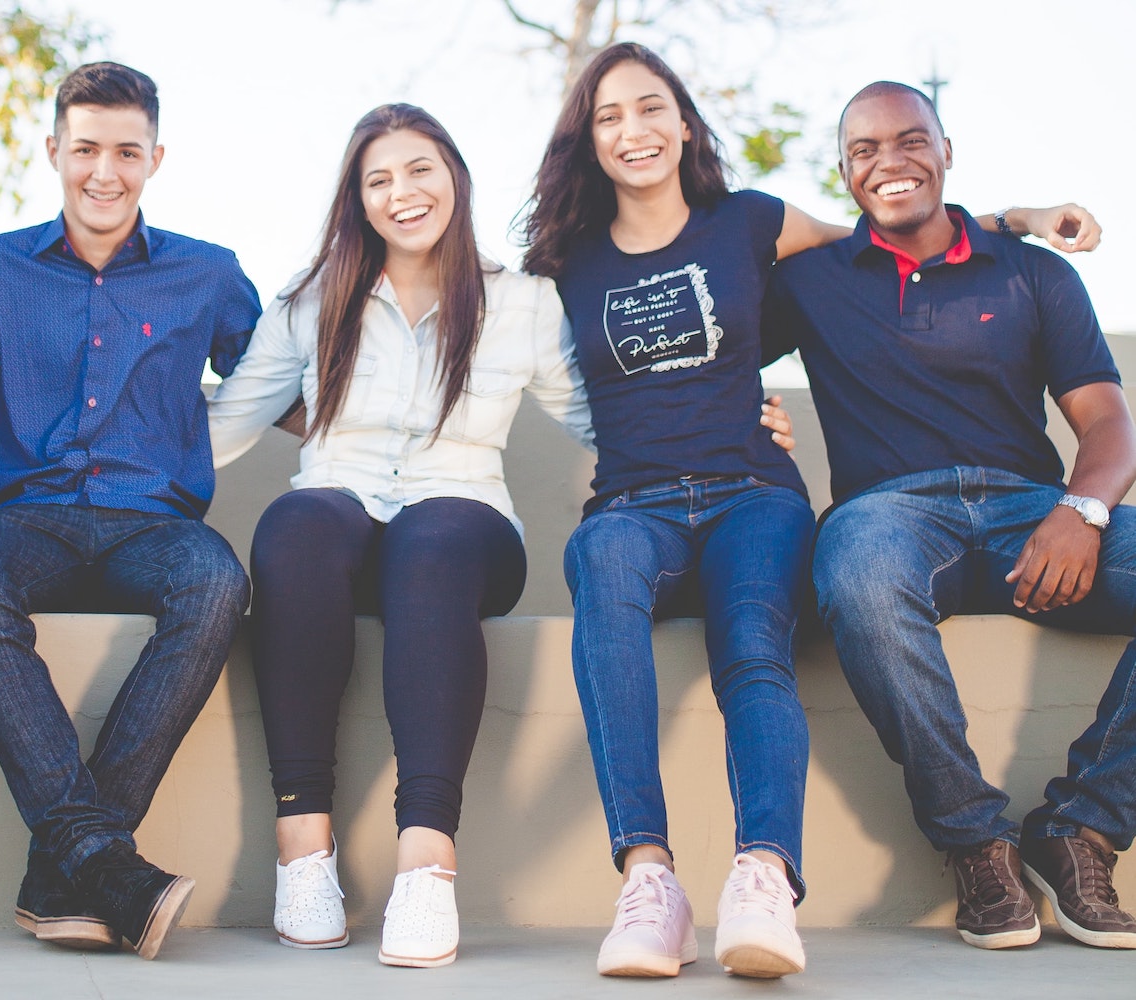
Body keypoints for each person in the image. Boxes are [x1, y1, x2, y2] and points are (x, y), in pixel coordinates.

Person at [519, 42, 1097, 980]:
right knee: (604, 576)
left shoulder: (749, 223)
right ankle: (650, 880)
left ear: (684, 123)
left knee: (753, 641)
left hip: (754, 492)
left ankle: (762, 877)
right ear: (586, 139)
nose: (636, 130)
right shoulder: (562, 262)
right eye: (611, 116)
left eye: (653, 107)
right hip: (632, 502)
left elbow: (890, 235)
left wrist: (1019, 218)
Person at [205, 103, 605, 968]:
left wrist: (726, 428)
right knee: (297, 522)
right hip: (338, 520)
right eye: (378, 179)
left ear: (454, 175)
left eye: (419, 169)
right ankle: (303, 847)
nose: (402, 192)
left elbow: (598, 418)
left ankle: (426, 862)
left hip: (465, 526)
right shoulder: (312, 303)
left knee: (433, 539)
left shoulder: (522, 303)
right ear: (359, 200)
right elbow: (222, 426)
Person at [763, 81, 1136, 953]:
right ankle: (976, 844)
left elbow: (1108, 422)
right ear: (845, 173)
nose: (889, 163)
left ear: (946, 150)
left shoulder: (1034, 271)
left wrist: (1082, 510)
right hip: (888, 517)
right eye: (864, 151)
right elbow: (707, 303)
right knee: (853, 572)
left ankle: (1081, 828)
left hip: (1033, 515)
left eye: (909, 141)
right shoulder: (810, 280)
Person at [0, 62, 261, 961]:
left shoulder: (209, 274)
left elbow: (288, 376)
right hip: (27, 519)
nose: (104, 172)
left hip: (154, 523)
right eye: (85, 149)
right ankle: (106, 864)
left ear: (157, 157)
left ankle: (70, 868)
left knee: (216, 582)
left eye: (127, 151)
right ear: (54, 151)